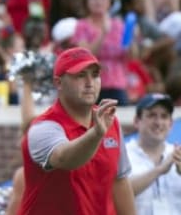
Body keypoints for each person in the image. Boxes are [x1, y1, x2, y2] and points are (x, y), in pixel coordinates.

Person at [21, 46, 136, 215]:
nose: (90, 83)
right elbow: (66, 159)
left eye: (95, 75)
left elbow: (119, 182)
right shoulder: (42, 127)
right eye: (80, 76)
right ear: (58, 83)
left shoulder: (110, 122)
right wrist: (96, 134)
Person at [126, 93, 181, 214]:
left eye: (164, 116)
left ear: (171, 124)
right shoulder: (123, 154)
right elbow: (118, 193)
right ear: (137, 121)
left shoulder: (178, 154)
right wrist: (159, 170)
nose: (158, 122)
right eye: (152, 115)